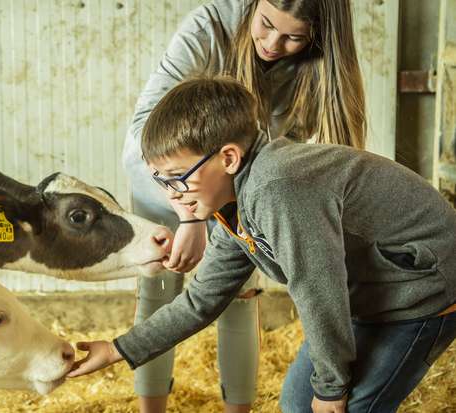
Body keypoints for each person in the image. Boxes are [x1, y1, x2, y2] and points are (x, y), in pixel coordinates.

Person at [70, 76, 456, 413]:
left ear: (228, 158)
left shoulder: (277, 187)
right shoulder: (235, 204)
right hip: (367, 291)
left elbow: (317, 287)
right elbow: (202, 299)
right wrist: (118, 349)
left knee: (349, 407)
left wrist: (332, 388)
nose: (172, 195)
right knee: (297, 403)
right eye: (162, 180)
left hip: (421, 288)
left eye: (177, 177)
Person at [122, 1, 366, 411]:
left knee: (240, 293)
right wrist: (190, 215)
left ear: (316, 36)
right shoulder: (210, 25)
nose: (272, 44)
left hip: (242, 186)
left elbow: (298, 146)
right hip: (168, 180)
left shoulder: (319, 63)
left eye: (294, 38)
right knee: (160, 288)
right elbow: (145, 126)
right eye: (266, 24)